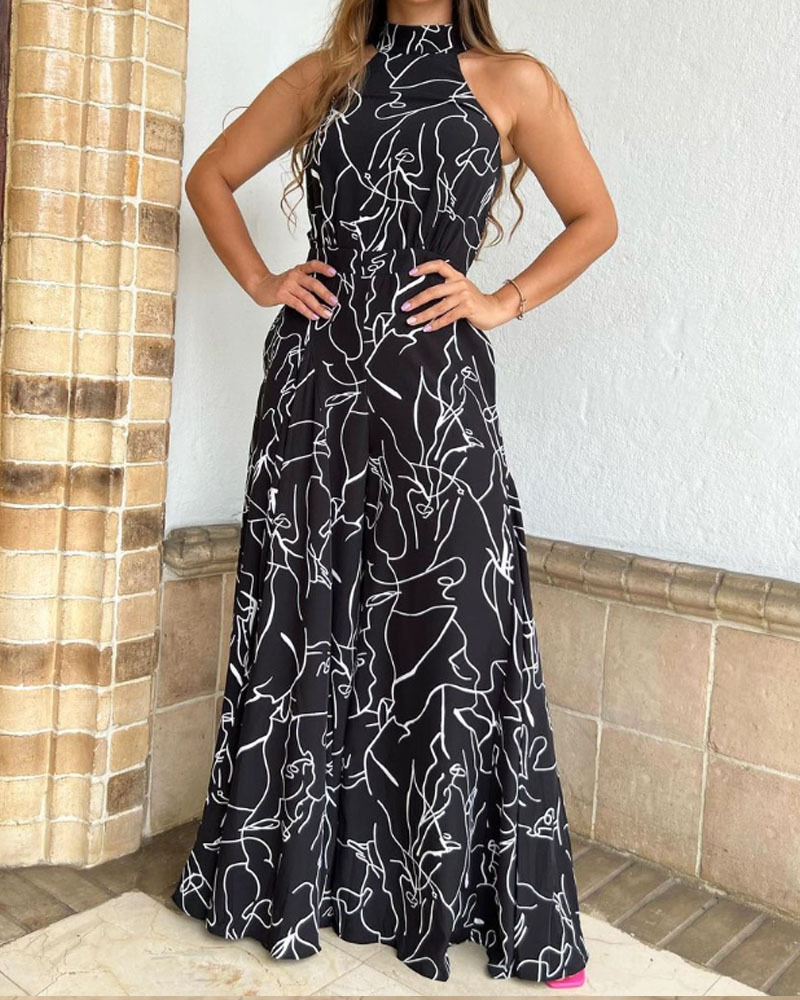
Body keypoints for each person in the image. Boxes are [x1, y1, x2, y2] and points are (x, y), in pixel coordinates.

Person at [171, 0, 617, 988]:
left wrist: (500, 301)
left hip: (437, 396)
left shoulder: (514, 83)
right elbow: (208, 177)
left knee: (452, 629)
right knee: (303, 619)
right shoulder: (326, 74)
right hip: (316, 390)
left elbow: (597, 220)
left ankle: (443, 893)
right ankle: (295, 879)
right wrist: (263, 280)